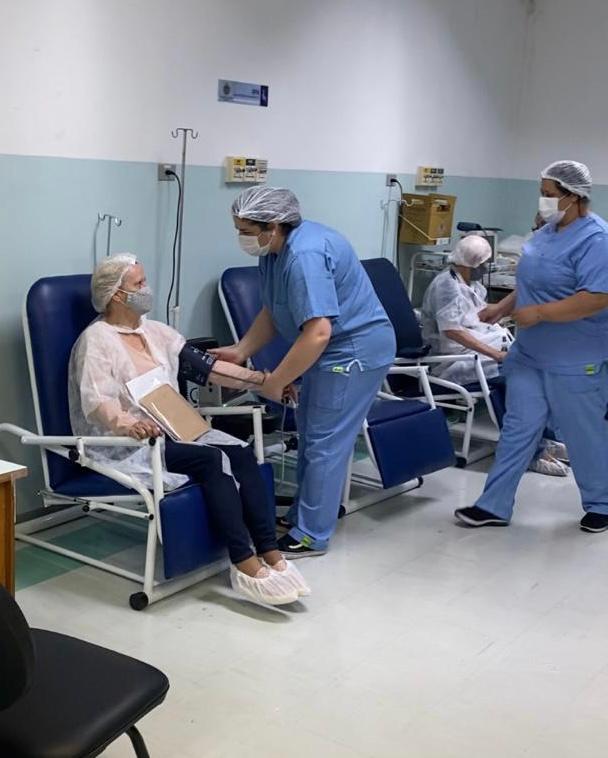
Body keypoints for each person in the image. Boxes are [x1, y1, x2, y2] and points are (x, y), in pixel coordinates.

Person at [69, 253, 310, 605]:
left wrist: (265, 380)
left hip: (174, 429)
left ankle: (269, 549)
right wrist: (130, 424)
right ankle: (243, 561)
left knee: (240, 452)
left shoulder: (155, 332)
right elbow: (96, 401)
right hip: (126, 441)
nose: (147, 289)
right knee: (210, 460)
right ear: (117, 295)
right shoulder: (96, 341)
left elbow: (211, 369)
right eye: (139, 284)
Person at [214, 187, 396, 557]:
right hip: (331, 350)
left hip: (353, 351)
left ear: (274, 225)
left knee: (325, 443)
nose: (241, 238)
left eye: (246, 231)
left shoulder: (305, 255)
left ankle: (312, 533)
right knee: (312, 436)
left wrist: (276, 381)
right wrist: (241, 350)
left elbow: (318, 332)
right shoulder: (275, 252)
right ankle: (306, 515)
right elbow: (273, 308)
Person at [454, 160, 608, 532]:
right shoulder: (546, 232)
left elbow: (597, 297)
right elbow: (533, 281)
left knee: (583, 433)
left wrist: (538, 313)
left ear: (574, 196)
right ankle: (493, 504)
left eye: (549, 194)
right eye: (541, 193)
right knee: (517, 429)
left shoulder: (596, 240)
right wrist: (503, 307)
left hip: (575, 357)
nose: (543, 201)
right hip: (529, 355)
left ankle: (601, 503)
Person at [421, 234, 568, 476]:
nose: (487, 268)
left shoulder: (470, 285)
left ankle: (544, 440)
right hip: (453, 361)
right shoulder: (446, 286)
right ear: (474, 263)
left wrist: (502, 314)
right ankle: (528, 453)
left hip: (475, 356)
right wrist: (496, 354)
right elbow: (452, 331)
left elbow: (475, 318)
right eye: (485, 263)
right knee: (517, 381)